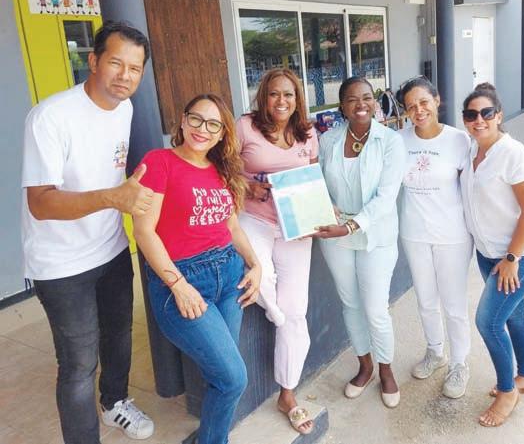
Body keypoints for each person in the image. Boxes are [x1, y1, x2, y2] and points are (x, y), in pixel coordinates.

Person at [21, 21, 155, 443]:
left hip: (111, 249)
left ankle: (115, 403)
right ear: (94, 61)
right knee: (78, 363)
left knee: (118, 337)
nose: (125, 76)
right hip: (61, 264)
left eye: (135, 68)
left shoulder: (125, 109)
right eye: (116, 63)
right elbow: (41, 202)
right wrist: (113, 198)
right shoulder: (51, 117)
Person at [133, 93, 261, 444]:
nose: (202, 129)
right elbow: (144, 232)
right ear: (183, 120)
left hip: (230, 278)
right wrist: (178, 285)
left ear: (222, 134)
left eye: (213, 124)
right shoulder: (159, 162)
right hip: (184, 280)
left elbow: (231, 227)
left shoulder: (221, 170)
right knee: (233, 379)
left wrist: (255, 265)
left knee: (222, 376)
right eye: (196, 119)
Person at [236, 68, 318, 434]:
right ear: (263, 97)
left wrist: (318, 214)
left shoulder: (307, 132)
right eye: (274, 94)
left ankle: (288, 394)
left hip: (295, 225)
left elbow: (313, 175)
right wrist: (246, 186)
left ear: (297, 99)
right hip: (254, 219)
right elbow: (221, 167)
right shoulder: (245, 127)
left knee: (296, 311)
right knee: (262, 280)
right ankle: (276, 314)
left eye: (288, 94)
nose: (281, 100)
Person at [315, 76, 406, 408]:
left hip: (375, 234)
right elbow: (318, 183)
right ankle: (364, 366)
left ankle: (386, 370)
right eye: (352, 99)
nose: (361, 104)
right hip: (336, 235)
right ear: (342, 106)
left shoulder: (391, 141)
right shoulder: (328, 140)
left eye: (367, 97)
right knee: (351, 304)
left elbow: (386, 197)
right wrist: (328, 208)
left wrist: (352, 225)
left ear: (375, 101)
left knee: (375, 309)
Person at [460, 83, 524, 427]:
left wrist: (511, 259)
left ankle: (508, 390)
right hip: (489, 254)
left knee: (489, 321)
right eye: (471, 114)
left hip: (520, 257)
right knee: (514, 315)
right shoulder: (472, 150)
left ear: (498, 115)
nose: (478, 120)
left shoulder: (513, 153)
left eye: (486, 113)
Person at [396, 76, 473, 398]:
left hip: (453, 235)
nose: (419, 110)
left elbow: (474, 187)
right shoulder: (398, 140)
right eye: (411, 106)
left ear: (437, 100)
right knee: (426, 300)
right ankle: (435, 351)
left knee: (454, 304)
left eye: (424, 102)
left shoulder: (459, 141)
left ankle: (459, 363)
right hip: (414, 232)